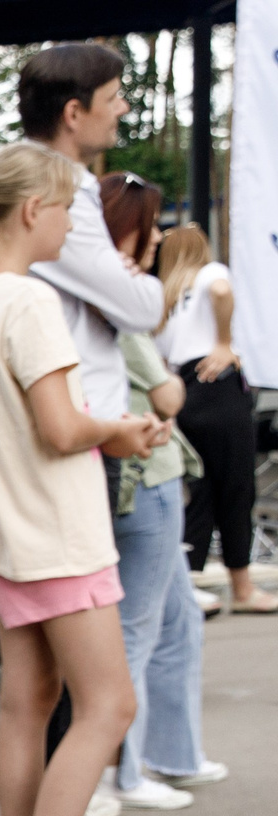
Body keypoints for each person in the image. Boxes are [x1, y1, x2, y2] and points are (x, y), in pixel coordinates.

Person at [0, 143, 165, 816]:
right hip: (58, 531)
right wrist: (123, 430)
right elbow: (64, 427)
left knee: (27, 708)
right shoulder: (28, 303)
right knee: (110, 705)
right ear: (34, 211)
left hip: (10, 530)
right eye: (70, 210)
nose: (74, 224)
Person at [98, 175, 224, 810]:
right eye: (149, 228)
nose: (156, 241)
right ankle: (125, 771)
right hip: (143, 478)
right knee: (138, 631)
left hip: (157, 475)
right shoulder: (116, 300)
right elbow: (165, 390)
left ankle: (171, 753)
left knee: (176, 622)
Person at [156, 225, 272, 613]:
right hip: (217, 384)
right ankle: (242, 588)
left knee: (198, 491)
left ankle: (188, 585)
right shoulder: (210, 274)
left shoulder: (164, 296)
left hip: (182, 389)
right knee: (236, 489)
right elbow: (222, 292)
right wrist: (223, 342)